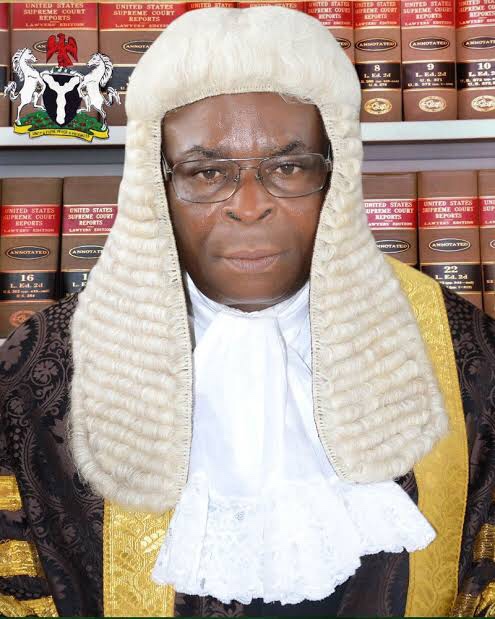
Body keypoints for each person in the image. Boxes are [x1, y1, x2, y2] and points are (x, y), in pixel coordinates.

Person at [1, 6, 495, 617]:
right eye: (207, 172)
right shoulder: (39, 373)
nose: (250, 204)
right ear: (156, 184)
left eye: (288, 167)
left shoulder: (462, 351)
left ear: (336, 174)